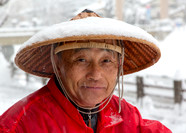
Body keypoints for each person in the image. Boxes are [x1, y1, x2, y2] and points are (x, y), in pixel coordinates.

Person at [0, 9, 172, 133]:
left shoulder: (124, 115)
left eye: (106, 61)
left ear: (119, 65)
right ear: (58, 65)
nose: (95, 74)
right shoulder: (19, 124)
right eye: (81, 60)